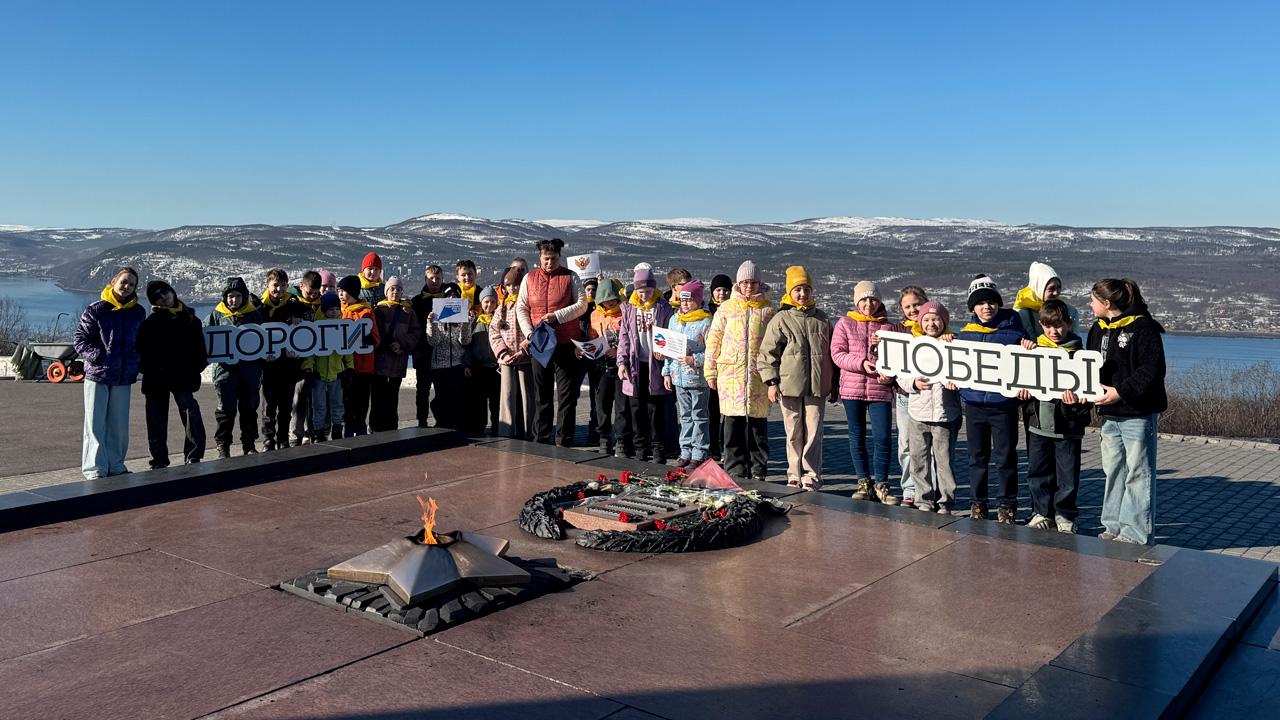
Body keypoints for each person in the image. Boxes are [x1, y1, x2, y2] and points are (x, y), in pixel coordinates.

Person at [1087, 278, 1167, 545]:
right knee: (1114, 472)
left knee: (1138, 473)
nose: (1090, 305)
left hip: (1136, 414)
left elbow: (1151, 371)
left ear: (1106, 303)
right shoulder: (1096, 330)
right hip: (1109, 414)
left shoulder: (1144, 328)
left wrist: (1119, 391)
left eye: (1093, 300)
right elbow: (1088, 366)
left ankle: (1134, 532)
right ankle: (1112, 525)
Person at [955, 275, 1029, 524]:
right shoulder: (965, 335)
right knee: (977, 457)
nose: (987, 307)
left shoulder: (1014, 332)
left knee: (1005, 457)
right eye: (981, 303)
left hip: (1003, 406)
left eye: (991, 302)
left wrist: (1030, 348)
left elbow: (1029, 364)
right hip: (974, 405)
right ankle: (978, 503)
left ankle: (1007, 504)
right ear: (973, 308)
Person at [759, 266, 835, 490]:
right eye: (798, 289)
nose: (802, 294)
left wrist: (834, 384)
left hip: (817, 386)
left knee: (813, 432)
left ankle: (811, 475)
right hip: (789, 385)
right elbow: (767, 354)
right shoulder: (781, 318)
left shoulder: (822, 319)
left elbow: (832, 353)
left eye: (806, 289)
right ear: (789, 292)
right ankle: (794, 473)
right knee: (793, 432)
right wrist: (771, 382)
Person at [1020, 298, 1092, 533]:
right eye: (1049, 326)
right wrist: (1021, 392)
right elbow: (1018, 382)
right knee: (1038, 471)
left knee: (1067, 474)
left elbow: (1087, 395)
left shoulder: (1080, 355)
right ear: (1041, 325)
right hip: (1038, 422)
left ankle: (1065, 515)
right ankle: (1041, 512)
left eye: (1059, 325)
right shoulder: (1032, 351)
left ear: (1069, 324)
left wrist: (1077, 404)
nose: (1054, 331)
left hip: (1067, 426)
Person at [514, 238, 592, 446]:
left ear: (560, 257)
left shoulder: (570, 277)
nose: (550, 263)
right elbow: (521, 307)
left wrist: (557, 316)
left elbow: (582, 305)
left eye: (554, 259)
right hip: (539, 343)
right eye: (546, 259)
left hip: (565, 342)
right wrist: (530, 334)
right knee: (542, 394)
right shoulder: (529, 278)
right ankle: (540, 437)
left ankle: (564, 439)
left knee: (566, 395)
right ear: (540, 257)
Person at [704, 261, 774, 482]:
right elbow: (713, 341)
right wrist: (710, 371)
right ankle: (734, 467)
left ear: (759, 283)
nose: (749, 286)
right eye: (745, 282)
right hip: (731, 374)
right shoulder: (726, 309)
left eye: (753, 282)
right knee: (732, 424)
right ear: (738, 284)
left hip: (757, 376)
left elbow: (775, 344)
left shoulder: (768, 310)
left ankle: (758, 468)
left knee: (757, 425)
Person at [831, 281, 899, 504]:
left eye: (873, 299)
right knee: (856, 435)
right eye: (864, 299)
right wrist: (861, 363)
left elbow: (899, 358)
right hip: (852, 388)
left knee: (882, 437)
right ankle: (863, 481)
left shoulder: (889, 327)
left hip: (880, 389)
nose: (869, 303)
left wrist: (889, 373)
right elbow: (837, 353)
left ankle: (882, 484)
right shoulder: (845, 323)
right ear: (856, 302)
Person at [74, 266, 146, 479]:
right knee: (95, 424)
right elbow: (80, 339)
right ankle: (94, 468)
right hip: (98, 375)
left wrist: (136, 361)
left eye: (131, 284)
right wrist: (97, 356)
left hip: (123, 377)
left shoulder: (138, 313)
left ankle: (116, 465)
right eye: (124, 281)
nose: (127, 286)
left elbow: (142, 342)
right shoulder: (97, 309)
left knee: (119, 427)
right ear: (114, 281)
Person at [895, 301, 961, 514]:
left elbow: (966, 372)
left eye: (936, 319)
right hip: (918, 411)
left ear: (944, 322)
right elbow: (901, 374)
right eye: (927, 320)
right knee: (918, 459)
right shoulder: (912, 344)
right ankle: (924, 500)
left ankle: (946, 502)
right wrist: (913, 383)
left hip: (945, 414)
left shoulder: (954, 343)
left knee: (945, 462)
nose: (931, 324)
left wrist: (956, 383)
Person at [137, 280, 208, 469]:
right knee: (155, 419)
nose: (163, 296)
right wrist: (152, 368)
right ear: (154, 302)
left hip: (182, 376)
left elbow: (201, 352)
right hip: (156, 378)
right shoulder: (149, 323)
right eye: (157, 296)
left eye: (165, 291)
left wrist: (194, 370)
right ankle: (159, 459)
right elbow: (141, 352)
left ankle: (194, 455)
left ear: (172, 291)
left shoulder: (191, 320)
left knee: (191, 413)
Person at [618, 268, 675, 463]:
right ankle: (640, 449)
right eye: (641, 291)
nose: (644, 295)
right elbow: (624, 337)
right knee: (636, 409)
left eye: (648, 291)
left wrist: (665, 352)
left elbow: (669, 334)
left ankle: (658, 449)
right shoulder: (628, 308)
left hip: (655, 366)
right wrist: (621, 362)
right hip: (635, 365)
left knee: (655, 410)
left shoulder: (663, 308)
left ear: (654, 289)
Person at [205, 276, 265, 457]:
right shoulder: (216, 315)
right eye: (230, 296)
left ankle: (249, 444)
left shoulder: (254, 314)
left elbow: (263, 341)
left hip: (250, 371)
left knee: (249, 409)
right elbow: (205, 338)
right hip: (225, 372)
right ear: (225, 297)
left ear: (244, 297)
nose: (234, 300)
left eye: (238, 296)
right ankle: (223, 445)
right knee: (226, 410)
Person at [663, 279, 714, 468]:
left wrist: (695, 360)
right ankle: (685, 450)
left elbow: (712, 350)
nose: (685, 304)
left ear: (698, 301)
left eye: (689, 300)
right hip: (679, 377)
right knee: (684, 415)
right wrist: (667, 372)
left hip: (697, 378)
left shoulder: (706, 321)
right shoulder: (675, 320)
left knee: (699, 415)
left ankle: (699, 451)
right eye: (683, 300)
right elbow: (669, 347)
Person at [259, 268, 310, 450]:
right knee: (268, 408)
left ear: (287, 286)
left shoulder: (295, 305)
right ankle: (268, 440)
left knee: (286, 408)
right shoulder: (260, 308)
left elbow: (306, 333)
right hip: (269, 367)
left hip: (289, 367)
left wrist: (299, 319)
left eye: (282, 285)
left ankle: (283, 439)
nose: (278, 289)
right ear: (267, 285)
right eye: (275, 285)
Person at [893, 286, 930, 507]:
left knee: (930, 448)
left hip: (930, 397)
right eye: (907, 306)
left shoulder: (936, 326)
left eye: (916, 304)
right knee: (906, 445)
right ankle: (909, 489)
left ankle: (928, 491)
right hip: (905, 396)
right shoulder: (896, 331)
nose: (913, 310)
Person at [371, 276, 421, 432]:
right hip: (380, 361)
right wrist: (387, 345)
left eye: (399, 289)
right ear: (386, 291)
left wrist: (402, 345)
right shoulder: (379, 310)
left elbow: (416, 333)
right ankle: (376, 428)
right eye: (392, 288)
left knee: (393, 397)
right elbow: (375, 332)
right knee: (378, 396)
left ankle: (392, 427)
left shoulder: (408, 312)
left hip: (398, 361)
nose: (395, 292)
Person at [490, 267, 535, 439]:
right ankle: (506, 432)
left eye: (516, 285)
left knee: (528, 397)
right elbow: (493, 332)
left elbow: (534, 330)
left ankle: (529, 432)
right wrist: (503, 353)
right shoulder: (502, 307)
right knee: (506, 397)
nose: (512, 289)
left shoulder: (528, 305)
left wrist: (524, 349)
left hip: (525, 357)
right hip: (507, 359)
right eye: (509, 285)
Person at [302, 292, 352, 441]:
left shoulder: (342, 327)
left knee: (337, 404)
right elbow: (310, 352)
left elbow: (347, 350)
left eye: (337, 309)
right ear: (324, 310)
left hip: (337, 373)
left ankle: (337, 429)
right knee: (319, 405)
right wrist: (309, 369)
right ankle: (318, 431)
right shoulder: (316, 328)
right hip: (319, 374)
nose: (335, 312)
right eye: (331, 309)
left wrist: (349, 368)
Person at [584, 278, 626, 454]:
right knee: (602, 405)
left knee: (622, 406)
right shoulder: (595, 315)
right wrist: (584, 348)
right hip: (600, 366)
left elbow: (630, 338)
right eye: (605, 299)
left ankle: (622, 440)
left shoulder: (624, 312)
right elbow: (591, 337)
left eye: (612, 298)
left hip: (619, 367)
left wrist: (618, 350)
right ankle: (604, 438)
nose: (609, 302)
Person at [425, 284, 473, 429]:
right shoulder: (437, 315)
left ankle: (457, 425)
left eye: (455, 296)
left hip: (457, 364)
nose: (452, 298)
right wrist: (431, 323)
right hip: (440, 365)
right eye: (449, 296)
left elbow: (465, 341)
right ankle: (441, 424)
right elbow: (433, 341)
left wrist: (466, 323)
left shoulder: (461, 317)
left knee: (457, 397)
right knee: (441, 398)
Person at [338, 274, 381, 436]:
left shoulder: (366, 311)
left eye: (344, 291)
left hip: (363, 365)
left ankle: (361, 429)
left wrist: (369, 338)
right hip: (345, 366)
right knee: (346, 402)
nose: (341, 295)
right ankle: (348, 431)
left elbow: (376, 338)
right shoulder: (338, 311)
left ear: (354, 293)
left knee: (362, 402)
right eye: (339, 291)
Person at [410, 265, 448, 427]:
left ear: (442, 280)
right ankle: (422, 420)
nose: (434, 281)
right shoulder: (416, 301)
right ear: (425, 279)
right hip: (422, 353)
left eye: (438, 278)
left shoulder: (448, 300)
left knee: (442, 390)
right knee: (422, 390)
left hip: (441, 352)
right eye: (431, 278)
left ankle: (441, 419)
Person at [291, 270, 324, 445]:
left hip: (318, 363)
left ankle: (314, 433)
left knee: (317, 401)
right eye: (309, 292)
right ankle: (296, 435)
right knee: (299, 400)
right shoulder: (293, 304)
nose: (312, 296)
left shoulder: (322, 306)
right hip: (300, 363)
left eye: (315, 293)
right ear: (301, 286)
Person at [465, 286, 501, 434]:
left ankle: (497, 427)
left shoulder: (500, 321)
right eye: (486, 302)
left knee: (496, 401)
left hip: (496, 368)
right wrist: (467, 363)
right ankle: (478, 427)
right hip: (478, 367)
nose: (489, 305)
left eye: (493, 302)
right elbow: (467, 344)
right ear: (481, 303)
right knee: (479, 401)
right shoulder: (474, 322)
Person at [1014, 260, 1078, 338]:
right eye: (1051, 289)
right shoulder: (1022, 314)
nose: (1056, 293)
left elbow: (1076, 341)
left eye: (1059, 287)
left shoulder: (1070, 312)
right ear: (1039, 288)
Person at [706, 273, 733, 461]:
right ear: (712, 293)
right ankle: (713, 447)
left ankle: (727, 448)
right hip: (713, 367)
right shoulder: (706, 311)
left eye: (725, 290)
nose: (722, 294)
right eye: (718, 290)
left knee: (729, 413)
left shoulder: (734, 310)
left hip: (730, 367)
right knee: (712, 411)